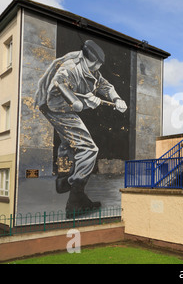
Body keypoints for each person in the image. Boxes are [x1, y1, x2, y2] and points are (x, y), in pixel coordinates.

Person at [34, 40, 128, 217]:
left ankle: (63, 181)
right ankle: (76, 200)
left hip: (61, 106)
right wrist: (81, 101)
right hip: (55, 107)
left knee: (69, 143)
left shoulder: (91, 70)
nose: (97, 67)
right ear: (86, 59)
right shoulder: (69, 68)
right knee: (89, 148)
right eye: (96, 64)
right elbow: (59, 86)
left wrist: (116, 99)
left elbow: (105, 86)